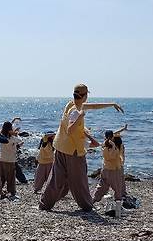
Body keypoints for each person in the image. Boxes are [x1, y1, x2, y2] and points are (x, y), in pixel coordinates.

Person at [39, 83, 124, 212]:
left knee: (56, 178)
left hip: (60, 146)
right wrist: (80, 117)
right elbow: (70, 129)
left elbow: (91, 106)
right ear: (84, 96)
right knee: (80, 180)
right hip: (73, 151)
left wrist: (111, 104)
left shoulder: (71, 104)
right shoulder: (76, 111)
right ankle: (86, 205)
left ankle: (45, 204)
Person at [92, 125, 128, 205]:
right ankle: (118, 208)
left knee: (101, 187)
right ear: (112, 137)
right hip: (115, 170)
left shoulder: (103, 145)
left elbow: (115, 134)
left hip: (105, 169)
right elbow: (114, 156)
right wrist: (115, 146)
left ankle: (92, 201)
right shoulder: (115, 148)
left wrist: (123, 129)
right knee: (118, 189)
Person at [0, 121, 23, 198]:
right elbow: (21, 141)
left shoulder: (1, 137)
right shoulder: (12, 138)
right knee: (11, 178)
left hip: (1, 159)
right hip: (10, 160)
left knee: (1, 177)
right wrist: (16, 134)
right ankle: (12, 192)